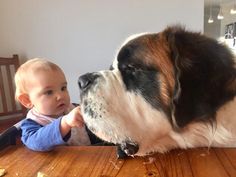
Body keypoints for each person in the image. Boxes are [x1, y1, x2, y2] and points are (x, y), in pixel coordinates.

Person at [15, 58, 101, 151]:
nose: (60, 96)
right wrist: (65, 123)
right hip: (57, 164)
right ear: (27, 100)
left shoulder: (71, 109)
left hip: (87, 157)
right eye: (49, 92)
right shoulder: (32, 123)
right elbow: (36, 142)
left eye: (63, 88)